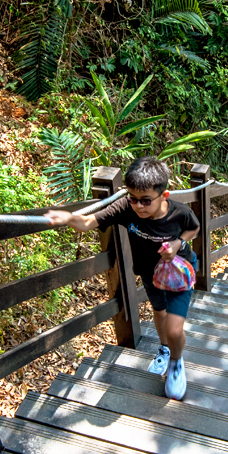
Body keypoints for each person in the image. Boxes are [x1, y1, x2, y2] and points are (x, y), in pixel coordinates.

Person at [46, 156, 199, 400]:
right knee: (159, 313)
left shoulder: (180, 213)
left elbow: (194, 228)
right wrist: (68, 217)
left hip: (179, 271)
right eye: (133, 198)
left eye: (146, 200)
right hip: (150, 273)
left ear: (164, 195)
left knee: (173, 327)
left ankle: (177, 363)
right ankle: (165, 351)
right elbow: (87, 222)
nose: (138, 206)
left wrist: (178, 242)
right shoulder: (125, 209)